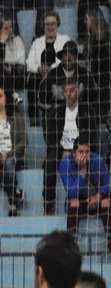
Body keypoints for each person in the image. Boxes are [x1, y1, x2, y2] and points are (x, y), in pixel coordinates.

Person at [42, 79, 98, 215]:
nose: (69, 94)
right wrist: (62, 149)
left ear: (77, 92)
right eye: (66, 91)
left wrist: (73, 151)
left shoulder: (87, 109)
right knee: (49, 161)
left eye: (72, 91)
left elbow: (93, 132)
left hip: (81, 148)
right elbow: (49, 134)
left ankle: (93, 197)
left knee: (94, 159)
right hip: (60, 149)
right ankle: (49, 201)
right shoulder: (57, 111)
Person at [60, 135, 111, 251]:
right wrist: (82, 171)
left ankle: (110, 242)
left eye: (87, 152)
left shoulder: (98, 160)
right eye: (81, 152)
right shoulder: (65, 164)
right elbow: (72, 193)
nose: (84, 155)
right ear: (74, 153)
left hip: (97, 199)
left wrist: (98, 196)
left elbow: (107, 184)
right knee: (73, 202)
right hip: (80, 200)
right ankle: (71, 247)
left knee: (106, 202)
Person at [0, 86, 27, 216]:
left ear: (6, 98)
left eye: (0, 96)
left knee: (8, 163)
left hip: (13, 155)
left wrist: (8, 154)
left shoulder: (17, 117)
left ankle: (12, 205)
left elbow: (24, 141)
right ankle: (16, 192)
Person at [26, 10, 70, 124]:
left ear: (57, 24)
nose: (50, 27)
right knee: (32, 79)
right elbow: (29, 63)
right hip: (40, 76)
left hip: (58, 74)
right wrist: (39, 69)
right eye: (47, 24)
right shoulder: (37, 42)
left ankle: (53, 116)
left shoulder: (65, 39)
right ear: (43, 26)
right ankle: (34, 118)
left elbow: (68, 59)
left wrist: (52, 68)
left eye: (53, 24)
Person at [37, 40, 97, 117]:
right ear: (62, 57)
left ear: (76, 58)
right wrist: (55, 110)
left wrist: (80, 108)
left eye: (72, 55)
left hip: (79, 117)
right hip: (56, 118)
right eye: (66, 55)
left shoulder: (85, 75)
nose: (68, 58)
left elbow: (93, 99)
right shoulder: (51, 75)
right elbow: (42, 101)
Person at [0, 13, 26, 94]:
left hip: (14, 75)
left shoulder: (17, 40)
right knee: (0, 69)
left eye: (11, 27)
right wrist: (2, 42)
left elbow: (22, 65)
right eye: (6, 28)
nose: (10, 30)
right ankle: (12, 96)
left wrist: (12, 70)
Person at [83, 6, 111, 118]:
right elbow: (86, 57)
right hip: (96, 77)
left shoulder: (109, 35)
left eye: (86, 19)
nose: (85, 22)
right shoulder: (89, 38)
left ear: (93, 18)